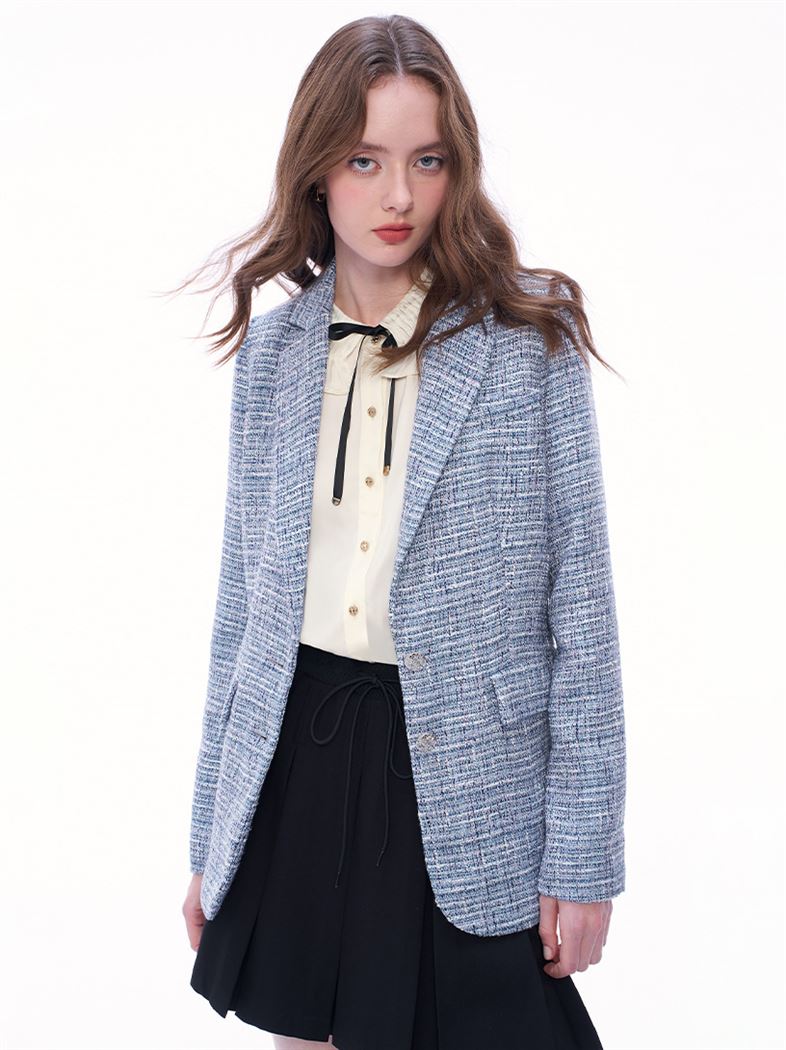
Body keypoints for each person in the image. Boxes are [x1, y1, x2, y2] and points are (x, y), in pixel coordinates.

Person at [179, 14, 627, 1050]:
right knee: (310, 1031)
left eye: (426, 161)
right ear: (316, 170)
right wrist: (215, 833)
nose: (397, 196)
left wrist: (584, 857)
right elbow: (241, 613)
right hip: (300, 746)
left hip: (467, 766)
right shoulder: (275, 355)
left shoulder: (528, 342)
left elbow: (584, 614)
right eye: (364, 160)